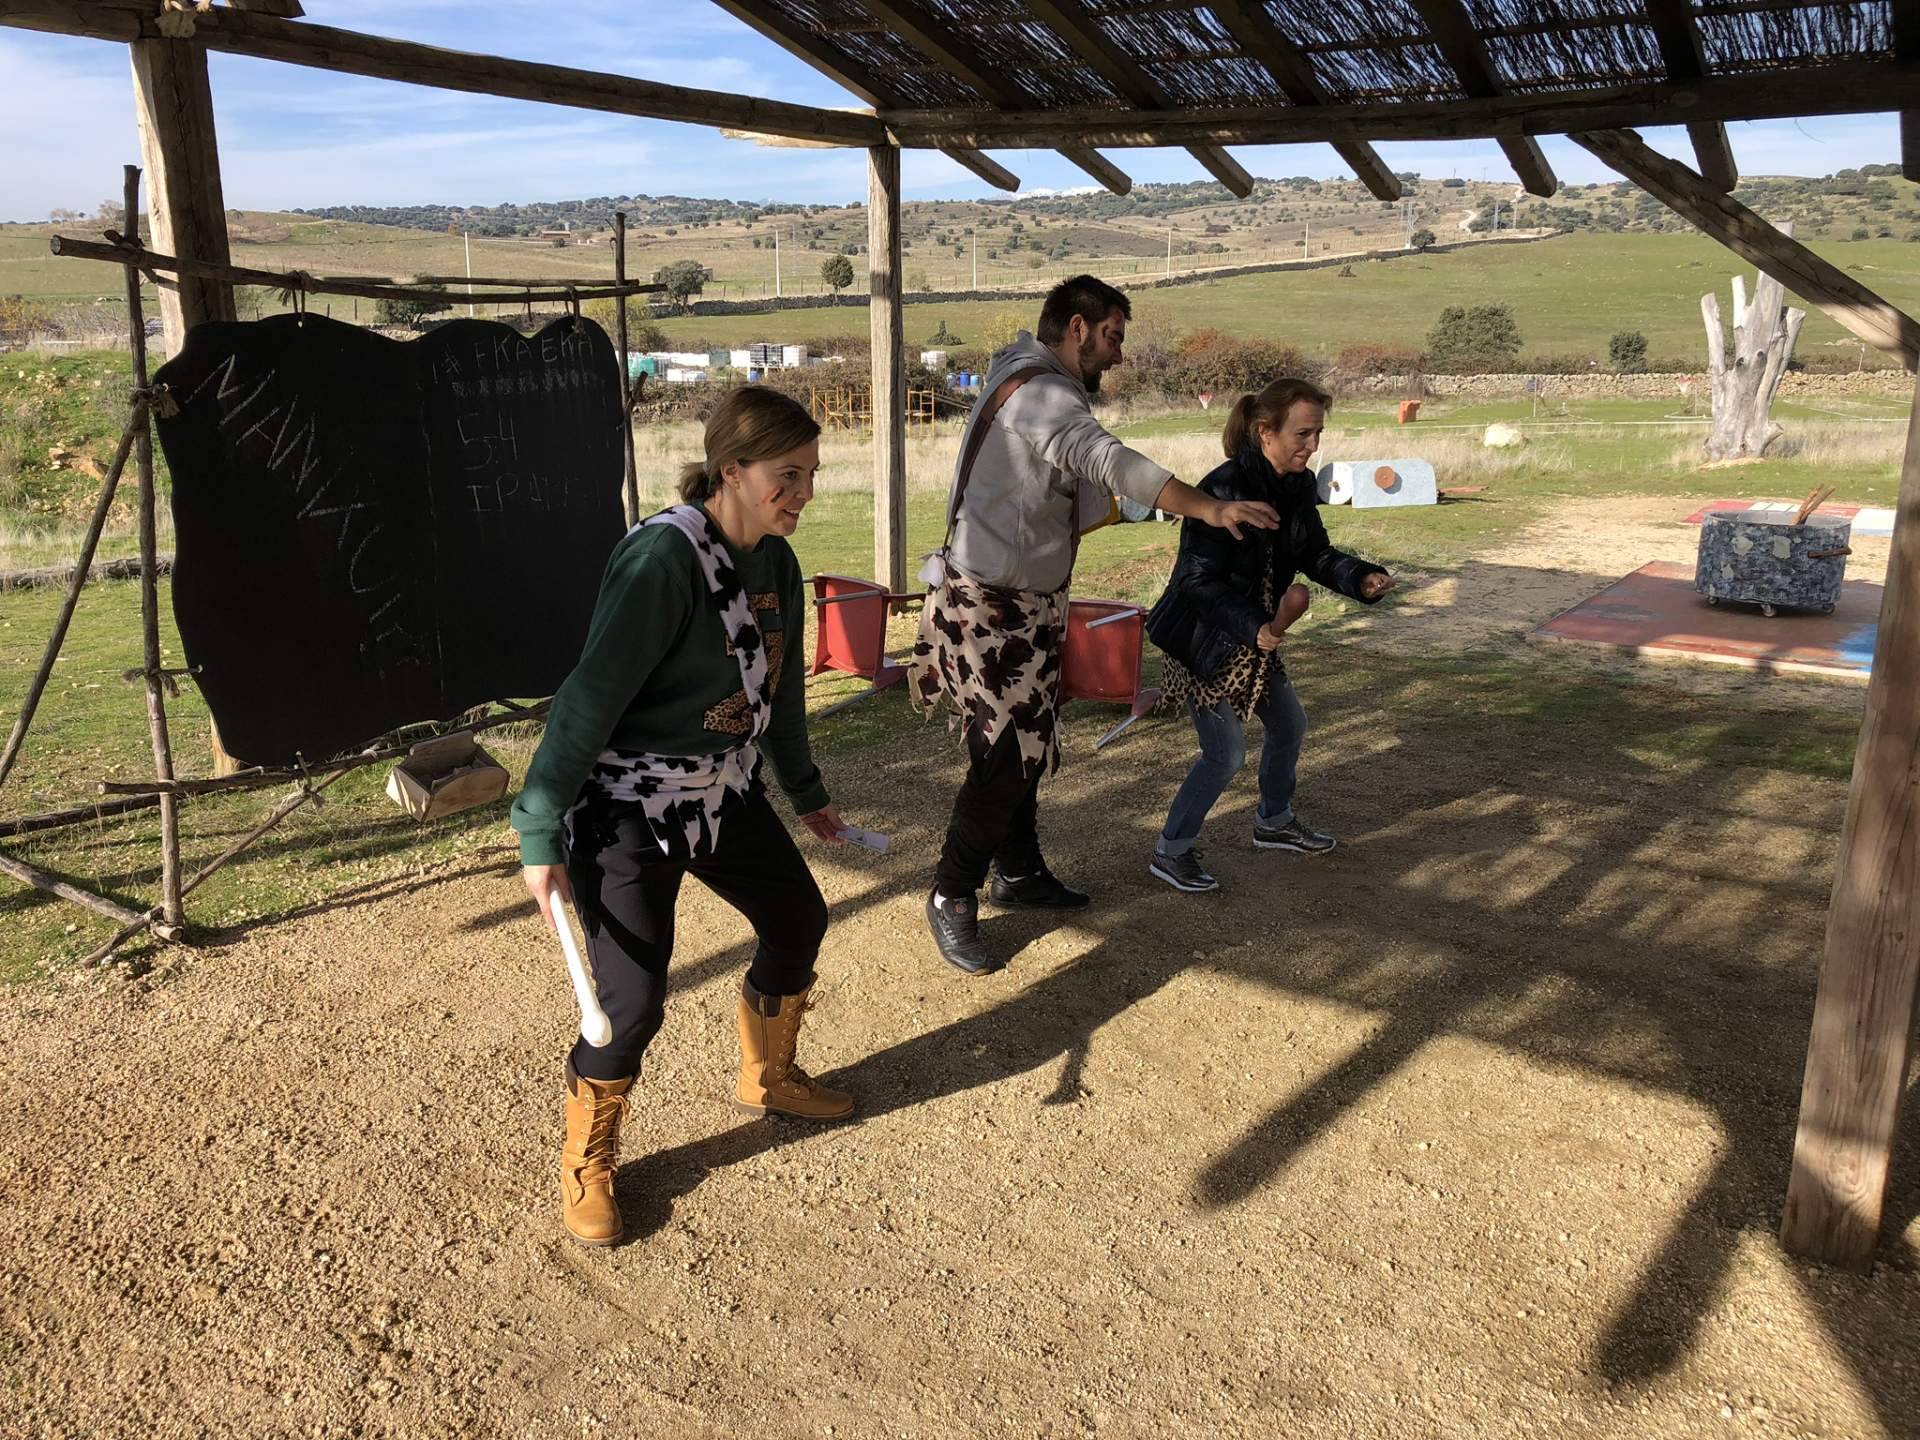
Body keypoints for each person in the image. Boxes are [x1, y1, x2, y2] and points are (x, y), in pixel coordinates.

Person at [512, 386, 856, 1248]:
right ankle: (588, 1160)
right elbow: (587, 702)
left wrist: (806, 792)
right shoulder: (661, 562)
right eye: (787, 475)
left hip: (721, 788)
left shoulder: (776, 562)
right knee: (629, 1004)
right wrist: (539, 828)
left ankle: (766, 1076)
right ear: (730, 469)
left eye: (811, 475)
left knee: (797, 918)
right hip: (624, 805)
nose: (803, 494)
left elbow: (781, 693)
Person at [910, 274, 1279, 975]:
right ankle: (951, 893)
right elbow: (1102, 458)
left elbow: (1074, 490)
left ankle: (1016, 872)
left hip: (1019, 602)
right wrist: (1203, 506)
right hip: (994, 606)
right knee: (1006, 757)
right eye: (1112, 336)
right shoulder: (1041, 390)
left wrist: (1164, 505)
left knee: (1023, 745)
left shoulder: (1030, 385)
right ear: (1076, 327)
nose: (1117, 355)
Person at [1144, 377, 1395, 893]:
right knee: (1225, 755)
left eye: (1318, 433)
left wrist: (1359, 577)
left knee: (1289, 724)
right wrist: (1254, 625)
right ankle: (1171, 851)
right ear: (1266, 432)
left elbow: (1314, 554)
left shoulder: (1298, 486)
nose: (1313, 445)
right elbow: (1196, 583)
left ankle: (1274, 822)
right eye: (1303, 434)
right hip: (1205, 641)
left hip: (1255, 637)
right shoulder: (1220, 490)